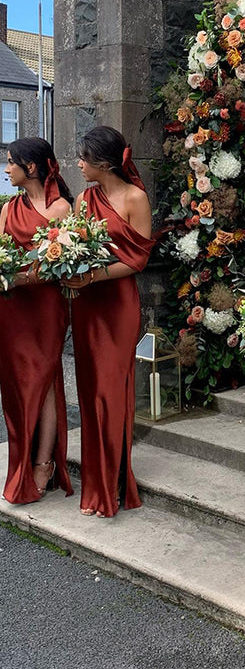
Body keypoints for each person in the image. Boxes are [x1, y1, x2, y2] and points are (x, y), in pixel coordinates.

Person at [63, 126, 153, 518]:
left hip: (117, 306)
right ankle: (95, 483)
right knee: (89, 390)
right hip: (87, 305)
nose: (79, 163)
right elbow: (79, 246)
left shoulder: (136, 198)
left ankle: (115, 484)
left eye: (83, 157)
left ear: (102, 162)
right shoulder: (84, 198)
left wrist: (92, 276)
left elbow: (138, 260)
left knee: (113, 392)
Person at [0, 137, 74, 503]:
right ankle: (20, 465)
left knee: (43, 381)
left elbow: (61, 266)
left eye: (11, 162)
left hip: (45, 307)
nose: (6, 167)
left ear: (32, 167)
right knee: (15, 385)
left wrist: (22, 276)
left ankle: (44, 464)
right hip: (12, 307)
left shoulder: (60, 209)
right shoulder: (8, 208)